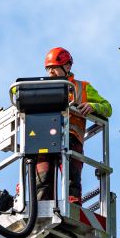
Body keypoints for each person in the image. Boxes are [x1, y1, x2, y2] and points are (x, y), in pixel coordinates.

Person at [36, 46, 111, 203]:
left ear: (67, 66)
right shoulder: (41, 86)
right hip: (44, 139)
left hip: (72, 138)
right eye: (48, 69)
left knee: (72, 178)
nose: (50, 72)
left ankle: (72, 206)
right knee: (42, 177)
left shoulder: (81, 87)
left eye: (54, 68)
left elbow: (107, 107)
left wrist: (93, 106)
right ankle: (41, 207)